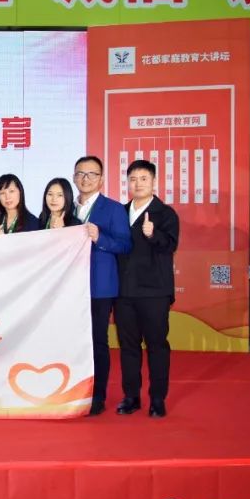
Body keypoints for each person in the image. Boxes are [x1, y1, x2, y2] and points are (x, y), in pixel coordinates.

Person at [115, 160, 180, 418]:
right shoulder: (120, 212)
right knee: (128, 347)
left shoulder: (165, 214)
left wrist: (153, 234)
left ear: (154, 182)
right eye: (133, 179)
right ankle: (131, 396)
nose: (138, 183)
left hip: (154, 293)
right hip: (124, 292)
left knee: (156, 346)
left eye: (143, 178)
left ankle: (157, 398)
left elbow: (171, 245)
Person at [72, 155, 132, 416]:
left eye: (92, 174)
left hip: (99, 287)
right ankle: (73, 391)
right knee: (72, 340)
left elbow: (125, 245)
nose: (85, 179)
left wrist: (100, 238)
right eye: (80, 174)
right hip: (68, 287)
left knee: (97, 341)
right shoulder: (66, 207)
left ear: (101, 179)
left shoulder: (114, 209)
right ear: (74, 178)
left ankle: (97, 395)